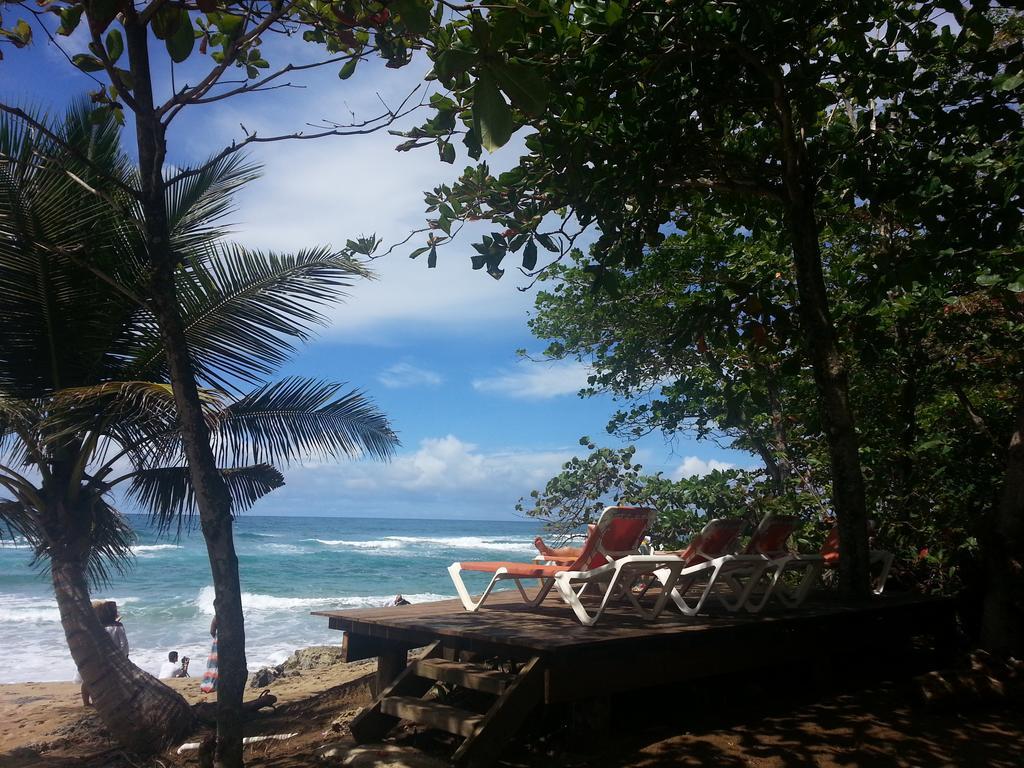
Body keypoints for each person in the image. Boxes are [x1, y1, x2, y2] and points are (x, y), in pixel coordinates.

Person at [79, 600, 129, 707]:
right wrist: (124, 657)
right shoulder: (118, 627)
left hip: (94, 658)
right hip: (113, 658)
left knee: (88, 680)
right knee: (114, 681)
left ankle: (86, 702)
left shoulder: (93, 627)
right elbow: (123, 645)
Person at [200, 616, 218, 693]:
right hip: (230, 641)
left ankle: (208, 684)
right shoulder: (234, 615)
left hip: (219, 639)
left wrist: (216, 638)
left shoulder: (219, 614)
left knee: (214, 664)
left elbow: (212, 631)